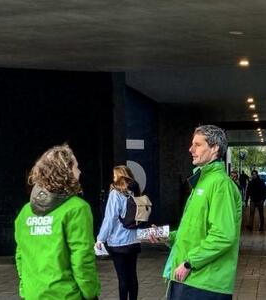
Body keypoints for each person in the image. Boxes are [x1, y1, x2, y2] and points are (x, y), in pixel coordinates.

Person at [155, 125, 242, 300]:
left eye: (198, 144)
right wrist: (167, 236)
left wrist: (190, 262)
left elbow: (223, 235)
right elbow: (195, 230)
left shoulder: (220, 184)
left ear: (215, 148)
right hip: (189, 279)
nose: (191, 149)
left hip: (205, 282)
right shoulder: (203, 182)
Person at [13, 144, 100, 300]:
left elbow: (20, 254)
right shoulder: (77, 208)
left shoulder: (26, 211)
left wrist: (24, 286)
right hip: (66, 294)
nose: (79, 171)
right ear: (65, 173)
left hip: (33, 292)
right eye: (76, 167)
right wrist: (90, 292)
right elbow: (82, 257)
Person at [97, 165, 143, 300]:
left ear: (119, 177)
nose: (113, 179)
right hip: (134, 240)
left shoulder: (115, 193)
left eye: (114, 176)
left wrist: (101, 238)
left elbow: (110, 218)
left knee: (122, 278)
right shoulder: (135, 191)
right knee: (132, 276)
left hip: (118, 242)